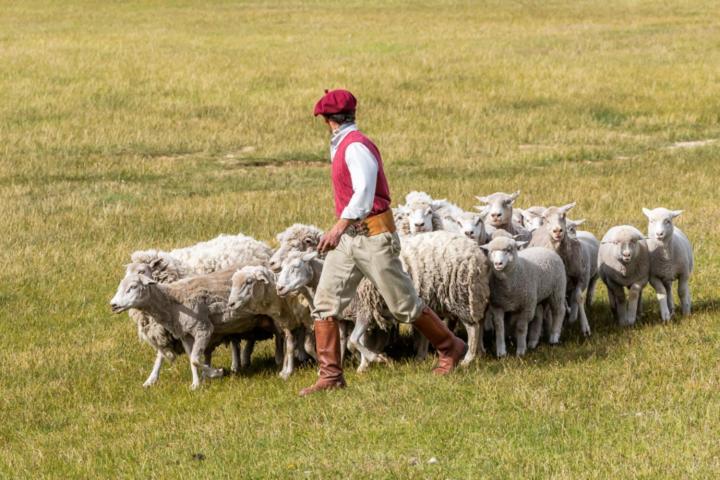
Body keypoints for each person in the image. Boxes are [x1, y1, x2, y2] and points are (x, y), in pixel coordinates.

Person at [299, 89, 467, 397]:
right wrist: (344, 230)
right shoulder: (341, 145)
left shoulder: (356, 147)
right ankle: (331, 376)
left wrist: (338, 226)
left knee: (403, 305)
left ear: (325, 119)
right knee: (325, 304)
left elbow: (364, 192)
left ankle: (450, 346)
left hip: (374, 236)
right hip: (351, 238)